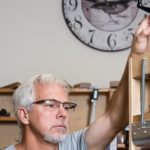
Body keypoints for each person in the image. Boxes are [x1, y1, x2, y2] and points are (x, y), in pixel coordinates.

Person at [5, 15, 150, 150]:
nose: (63, 114)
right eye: (50, 105)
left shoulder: (75, 145)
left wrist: (137, 53)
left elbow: (113, 120)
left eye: (67, 106)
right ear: (24, 115)